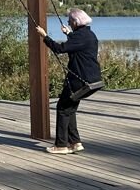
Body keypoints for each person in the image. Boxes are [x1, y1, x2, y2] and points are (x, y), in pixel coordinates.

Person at [34, 9, 101, 154]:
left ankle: (61, 145)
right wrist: (69, 34)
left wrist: (44, 36)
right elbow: (77, 44)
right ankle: (75, 142)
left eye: (70, 21)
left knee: (63, 108)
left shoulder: (79, 37)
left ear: (76, 22)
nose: (68, 23)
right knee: (70, 109)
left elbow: (59, 49)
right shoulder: (88, 34)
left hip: (80, 80)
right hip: (93, 80)